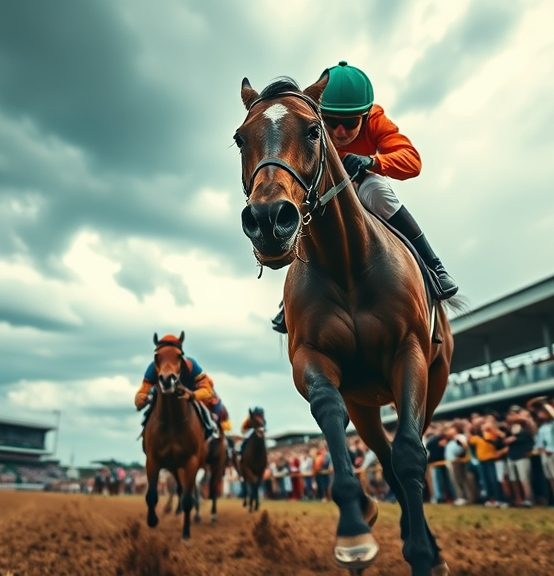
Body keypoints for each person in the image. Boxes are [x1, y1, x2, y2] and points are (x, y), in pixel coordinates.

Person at [271, 60, 458, 334]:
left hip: (361, 184)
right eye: (331, 122)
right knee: (304, 209)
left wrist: (372, 162)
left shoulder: (376, 120)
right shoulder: (307, 124)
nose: (340, 132)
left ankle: (434, 267)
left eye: (350, 123)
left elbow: (413, 162)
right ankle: (287, 303)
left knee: (378, 191)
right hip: (325, 194)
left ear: (366, 115)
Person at [134, 334, 233, 439]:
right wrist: (143, 399)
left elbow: (208, 391)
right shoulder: (152, 367)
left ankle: (211, 430)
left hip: (192, 394)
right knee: (148, 413)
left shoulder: (191, 365)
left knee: (208, 413)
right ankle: (145, 431)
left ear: (181, 357)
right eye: (161, 358)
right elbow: (142, 392)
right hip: (162, 396)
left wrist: (192, 395)